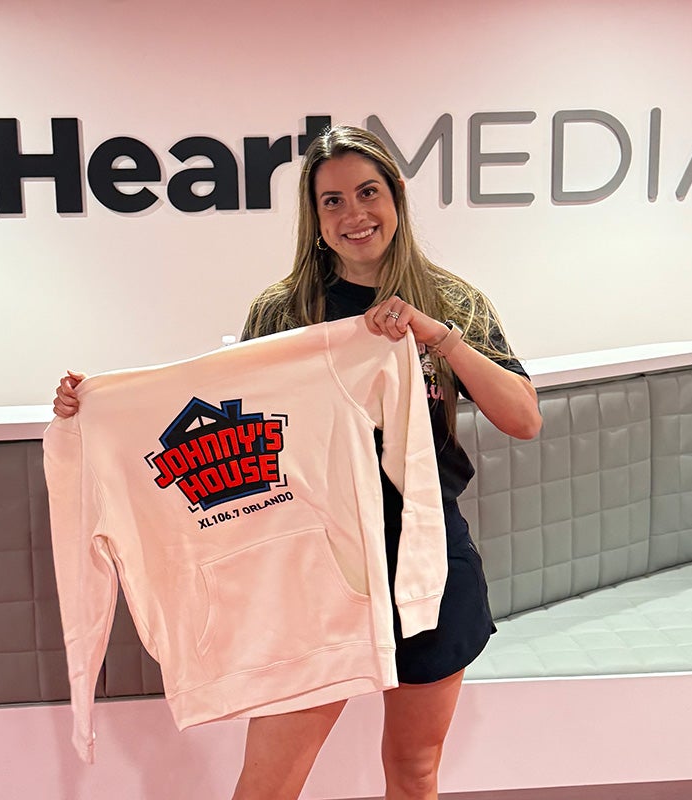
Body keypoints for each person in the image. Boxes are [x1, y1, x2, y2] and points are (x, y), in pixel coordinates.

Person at [53, 125, 542, 800]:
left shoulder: (453, 301)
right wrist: (100, 408)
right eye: (333, 201)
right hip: (314, 570)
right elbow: (222, 419)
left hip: (427, 560)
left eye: (367, 193)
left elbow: (523, 418)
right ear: (315, 218)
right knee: (269, 785)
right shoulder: (284, 311)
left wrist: (438, 338)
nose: (354, 214)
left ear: (395, 197)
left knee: (415, 773)